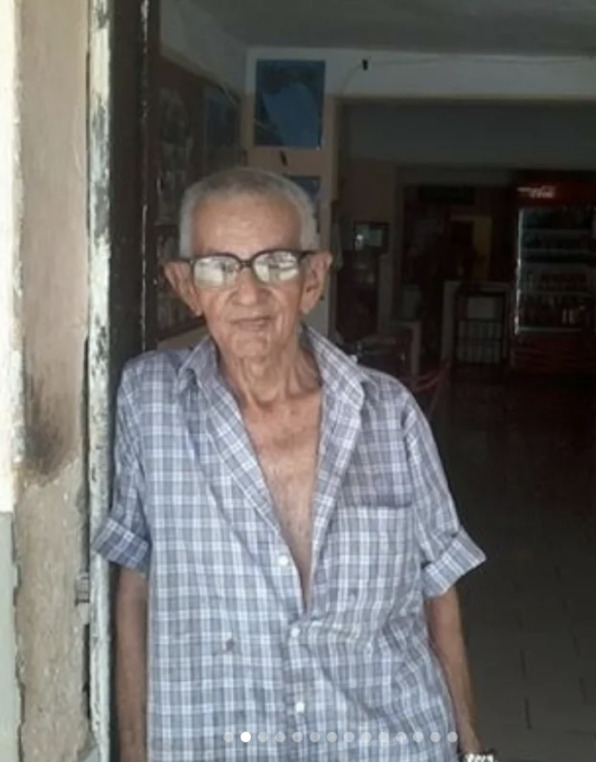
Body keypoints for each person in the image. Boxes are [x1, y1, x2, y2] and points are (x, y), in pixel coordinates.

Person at [93, 167, 492, 762]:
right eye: (219, 267)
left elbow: (440, 590)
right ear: (185, 285)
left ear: (313, 279)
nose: (247, 292)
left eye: (275, 263)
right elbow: (135, 590)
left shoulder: (389, 413)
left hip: (385, 742)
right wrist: (133, 753)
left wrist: (474, 751)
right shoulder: (150, 404)